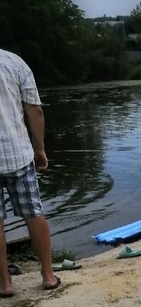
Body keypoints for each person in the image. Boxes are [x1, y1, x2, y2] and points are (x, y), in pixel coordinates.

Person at [0, 49, 61, 297]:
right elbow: (34, 110)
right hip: (18, 154)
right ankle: (48, 276)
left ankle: (5, 284)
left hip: (15, 154)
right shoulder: (15, 63)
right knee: (34, 213)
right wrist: (40, 149)